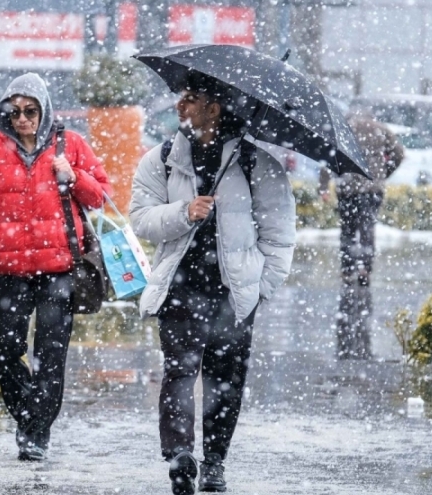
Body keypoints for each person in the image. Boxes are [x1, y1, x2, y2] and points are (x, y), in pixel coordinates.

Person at [129, 74, 296, 494]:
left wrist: (261, 288)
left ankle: (215, 461)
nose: (180, 106)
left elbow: (280, 235)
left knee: (226, 379)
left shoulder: (257, 164)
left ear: (214, 108)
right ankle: (181, 456)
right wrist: (184, 212)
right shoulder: (162, 158)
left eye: (191, 99)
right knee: (180, 372)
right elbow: (141, 219)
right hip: (181, 287)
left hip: (234, 292)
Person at [0, 73, 112, 462]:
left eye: (30, 111)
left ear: (44, 110)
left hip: (59, 268)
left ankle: (36, 434)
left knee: (51, 353)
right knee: (2, 346)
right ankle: (30, 414)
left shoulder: (72, 145)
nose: (23, 119)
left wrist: (74, 176)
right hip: (10, 268)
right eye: (14, 112)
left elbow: (100, 196)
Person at [318, 112, 404, 360]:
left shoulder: (343, 127)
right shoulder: (381, 129)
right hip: (371, 187)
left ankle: (347, 269)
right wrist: (383, 173)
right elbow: (399, 154)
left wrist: (325, 185)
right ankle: (365, 269)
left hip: (348, 187)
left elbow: (327, 156)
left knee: (347, 230)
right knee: (367, 231)